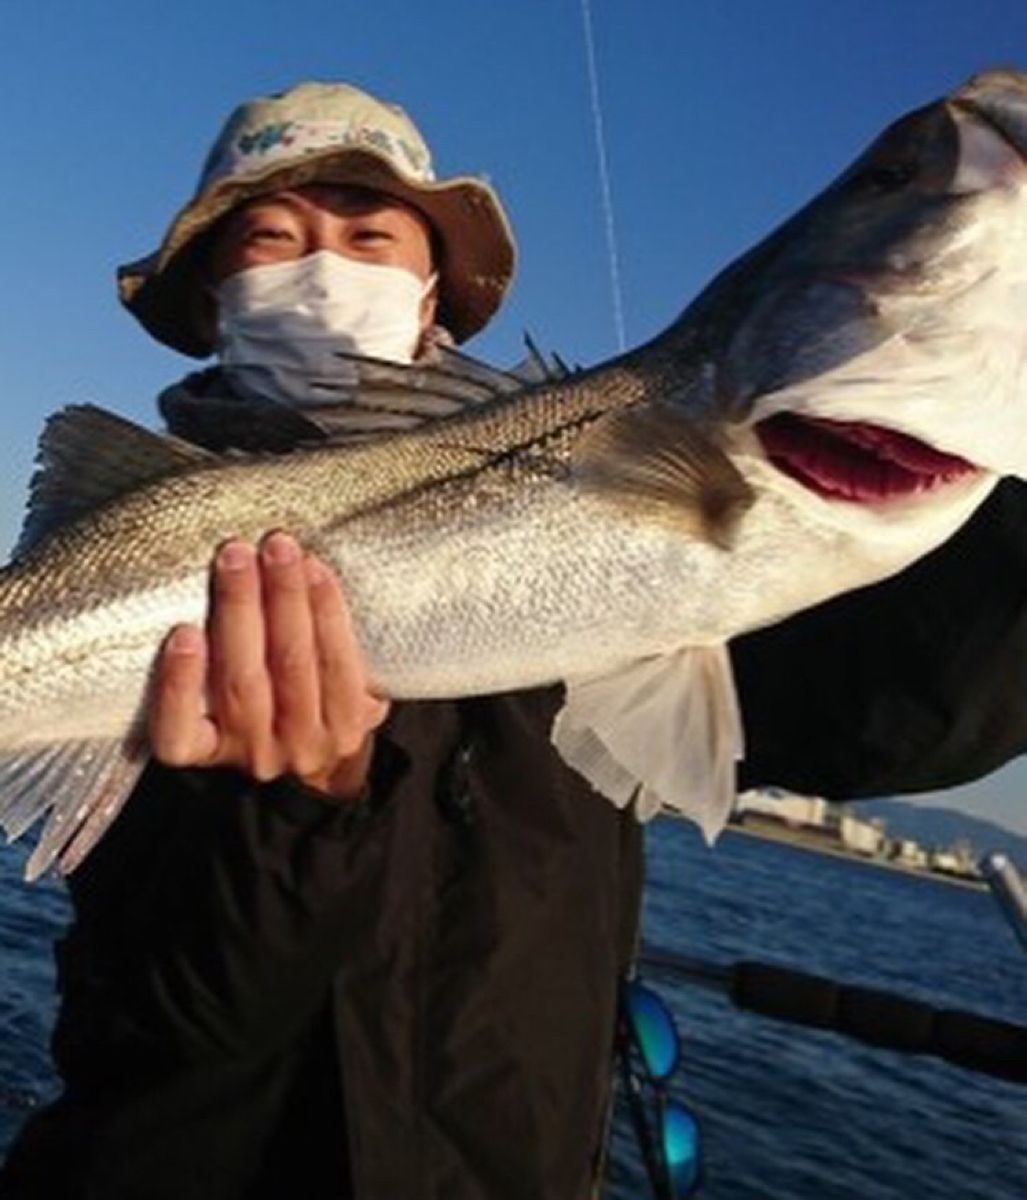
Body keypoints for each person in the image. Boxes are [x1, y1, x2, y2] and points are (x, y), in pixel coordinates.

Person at [3, 80, 1027, 1200]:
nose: (321, 264)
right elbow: (161, 1027)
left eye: (367, 233)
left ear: (432, 282)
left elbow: (907, 705)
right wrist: (291, 808)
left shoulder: (748, 562)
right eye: (271, 237)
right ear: (214, 290)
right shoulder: (172, 548)